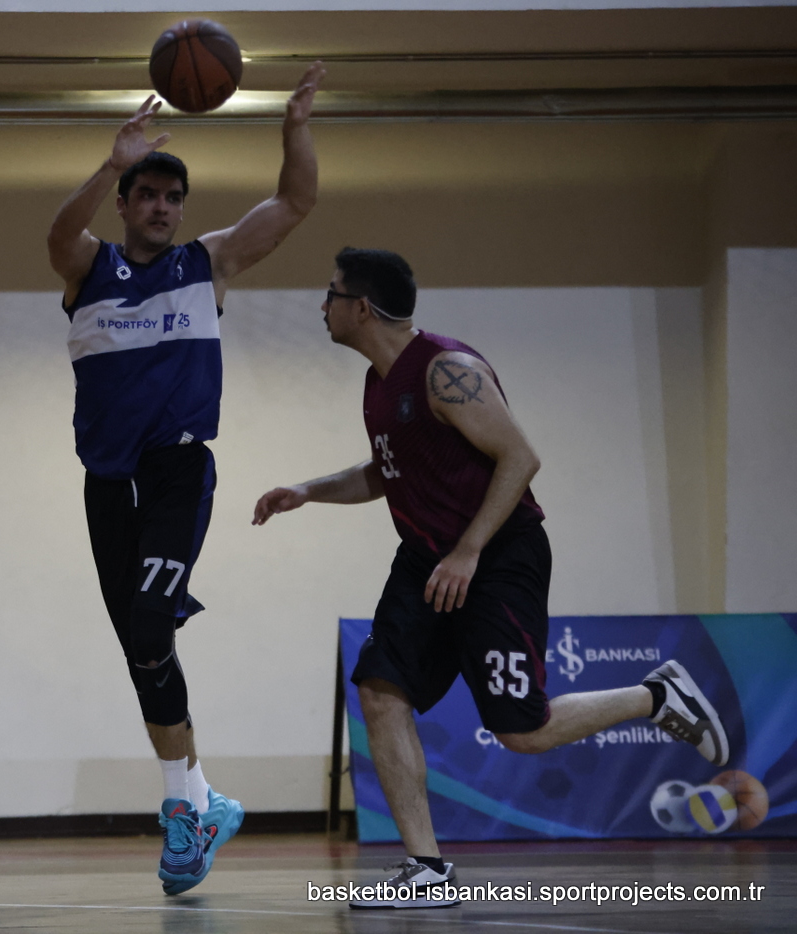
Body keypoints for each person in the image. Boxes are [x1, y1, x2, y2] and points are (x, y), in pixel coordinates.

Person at [252, 247, 730, 909]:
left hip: (498, 556)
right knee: (381, 692)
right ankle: (426, 870)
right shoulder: (378, 382)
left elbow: (520, 457)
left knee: (521, 731)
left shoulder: (447, 370)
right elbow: (384, 471)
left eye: (330, 293)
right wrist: (307, 491)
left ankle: (655, 696)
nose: (322, 305)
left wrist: (470, 550)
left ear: (361, 307)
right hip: (426, 559)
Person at [46, 63, 326, 895]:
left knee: (147, 622)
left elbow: (295, 204)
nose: (163, 207)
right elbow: (57, 235)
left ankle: (181, 808)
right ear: (126, 204)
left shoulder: (209, 264)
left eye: (174, 197)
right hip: (106, 482)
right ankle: (204, 803)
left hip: (176, 470)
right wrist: (108, 163)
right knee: (142, 651)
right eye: (148, 194)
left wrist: (295, 129)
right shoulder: (89, 268)